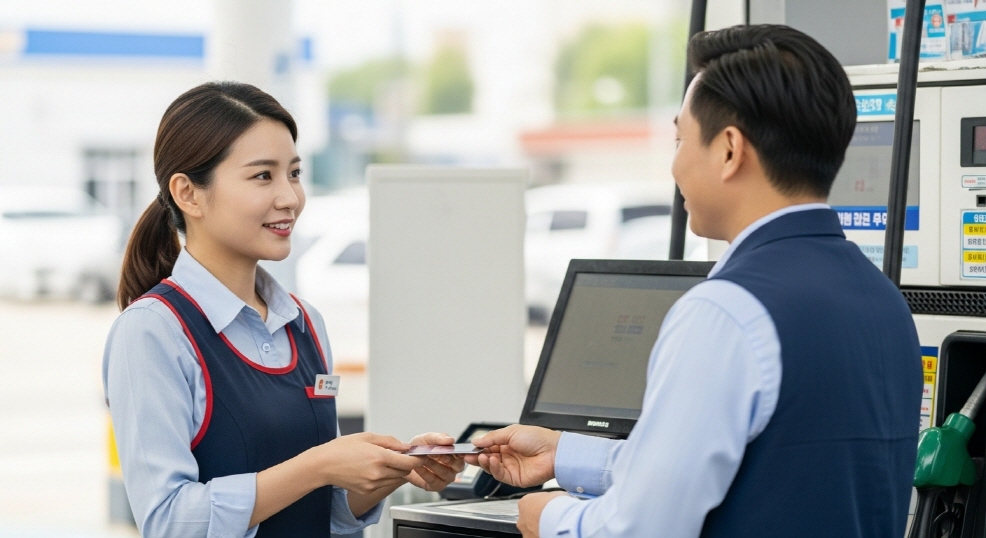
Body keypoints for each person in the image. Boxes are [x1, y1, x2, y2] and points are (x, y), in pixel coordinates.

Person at [465, 24, 922, 538]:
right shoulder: (882, 299)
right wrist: (564, 453)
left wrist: (547, 518)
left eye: (681, 138)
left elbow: (641, 529)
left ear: (729, 150)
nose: (675, 163)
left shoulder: (727, 312)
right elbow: (753, 469)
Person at [103, 82, 463, 537]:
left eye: (294, 173)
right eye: (262, 176)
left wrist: (382, 473)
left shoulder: (306, 323)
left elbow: (318, 516)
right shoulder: (153, 332)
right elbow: (171, 521)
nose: (290, 198)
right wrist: (319, 466)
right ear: (189, 194)